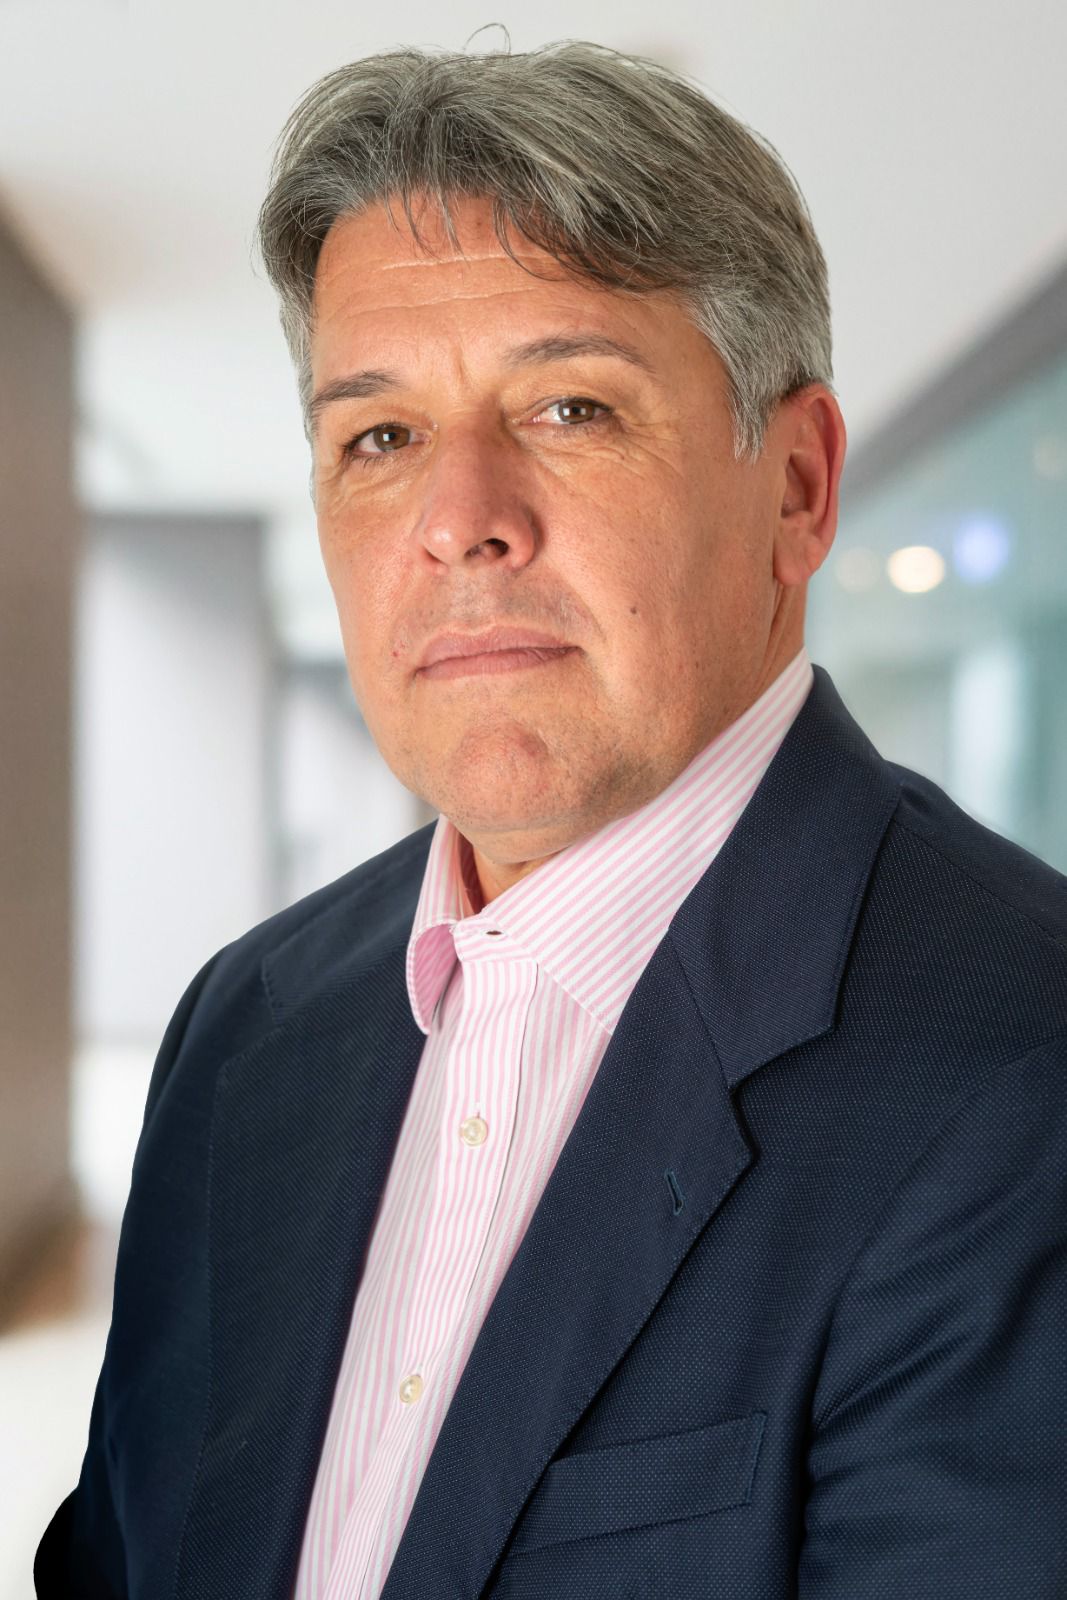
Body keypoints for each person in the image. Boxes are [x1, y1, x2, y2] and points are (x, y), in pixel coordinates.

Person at [37, 40, 1067, 1600]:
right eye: (380, 437)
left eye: (572, 406)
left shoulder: (1024, 1061)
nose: (461, 520)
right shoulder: (244, 1023)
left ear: (797, 487)